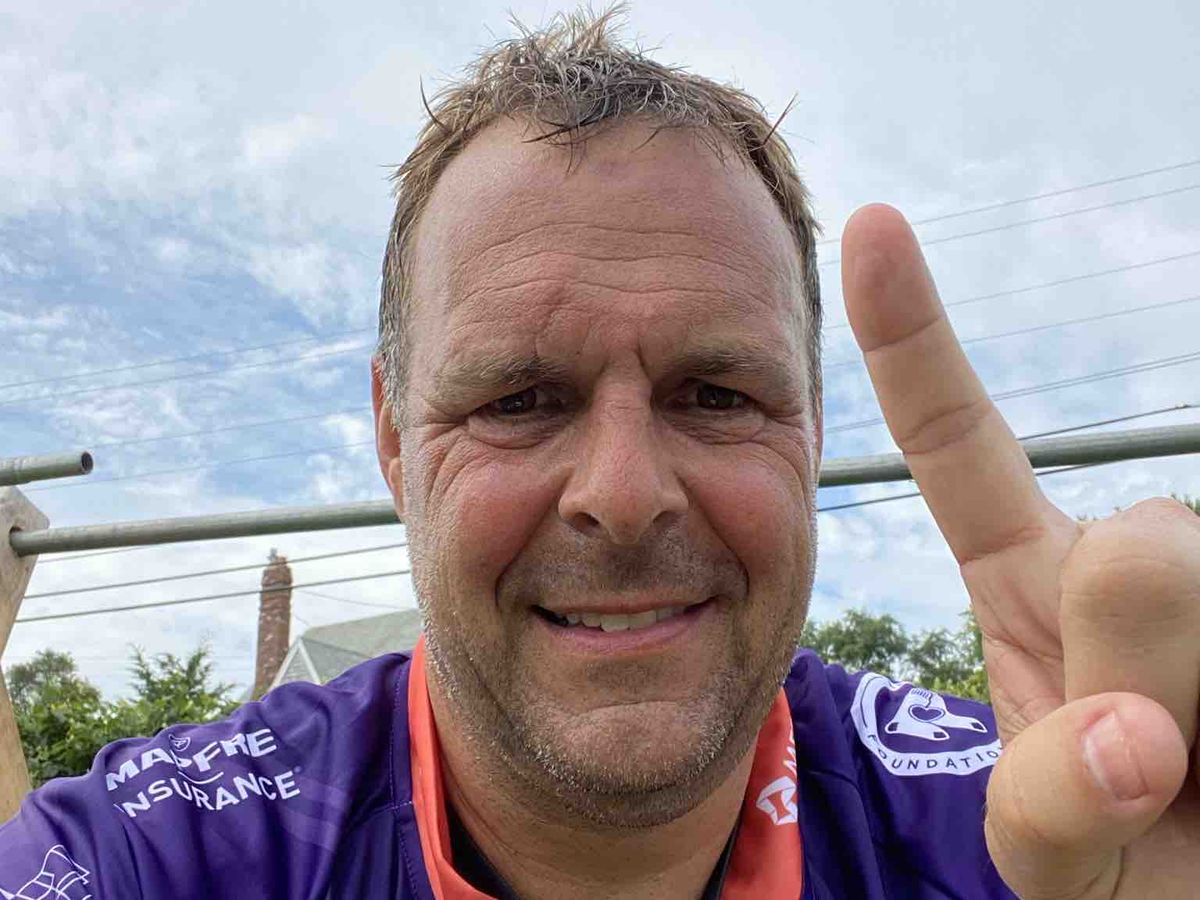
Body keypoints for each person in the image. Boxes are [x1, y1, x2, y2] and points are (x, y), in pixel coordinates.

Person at [3, 9, 1199, 899]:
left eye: (717, 395)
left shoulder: (1044, 838)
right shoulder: (167, 854)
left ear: (813, 431)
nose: (623, 497)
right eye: (520, 400)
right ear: (394, 442)